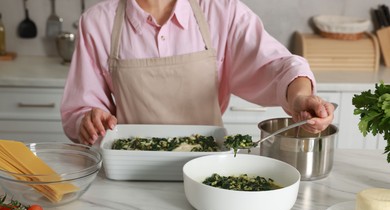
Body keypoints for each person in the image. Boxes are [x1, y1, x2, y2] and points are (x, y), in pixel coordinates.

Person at [61, 0, 335, 145]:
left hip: (206, 168)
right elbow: (80, 110)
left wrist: (300, 98)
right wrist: (89, 120)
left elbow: (279, 66)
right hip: (129, 168)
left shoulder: (223, 12)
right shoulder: (98, 22)